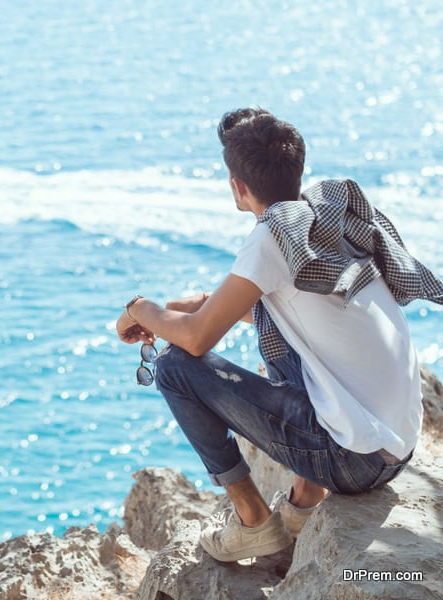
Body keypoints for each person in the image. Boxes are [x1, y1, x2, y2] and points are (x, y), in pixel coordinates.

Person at [116, 108, 443, 562]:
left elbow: (194, 341)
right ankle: (305, 500)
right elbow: (285, 310)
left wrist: (138, 309)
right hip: (397, 447)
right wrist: (188, 307)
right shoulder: (321, 216)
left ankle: (251, 521)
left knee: (174, 367)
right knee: (281, 331)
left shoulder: (270, 236)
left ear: (238, 186)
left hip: (355, 461)